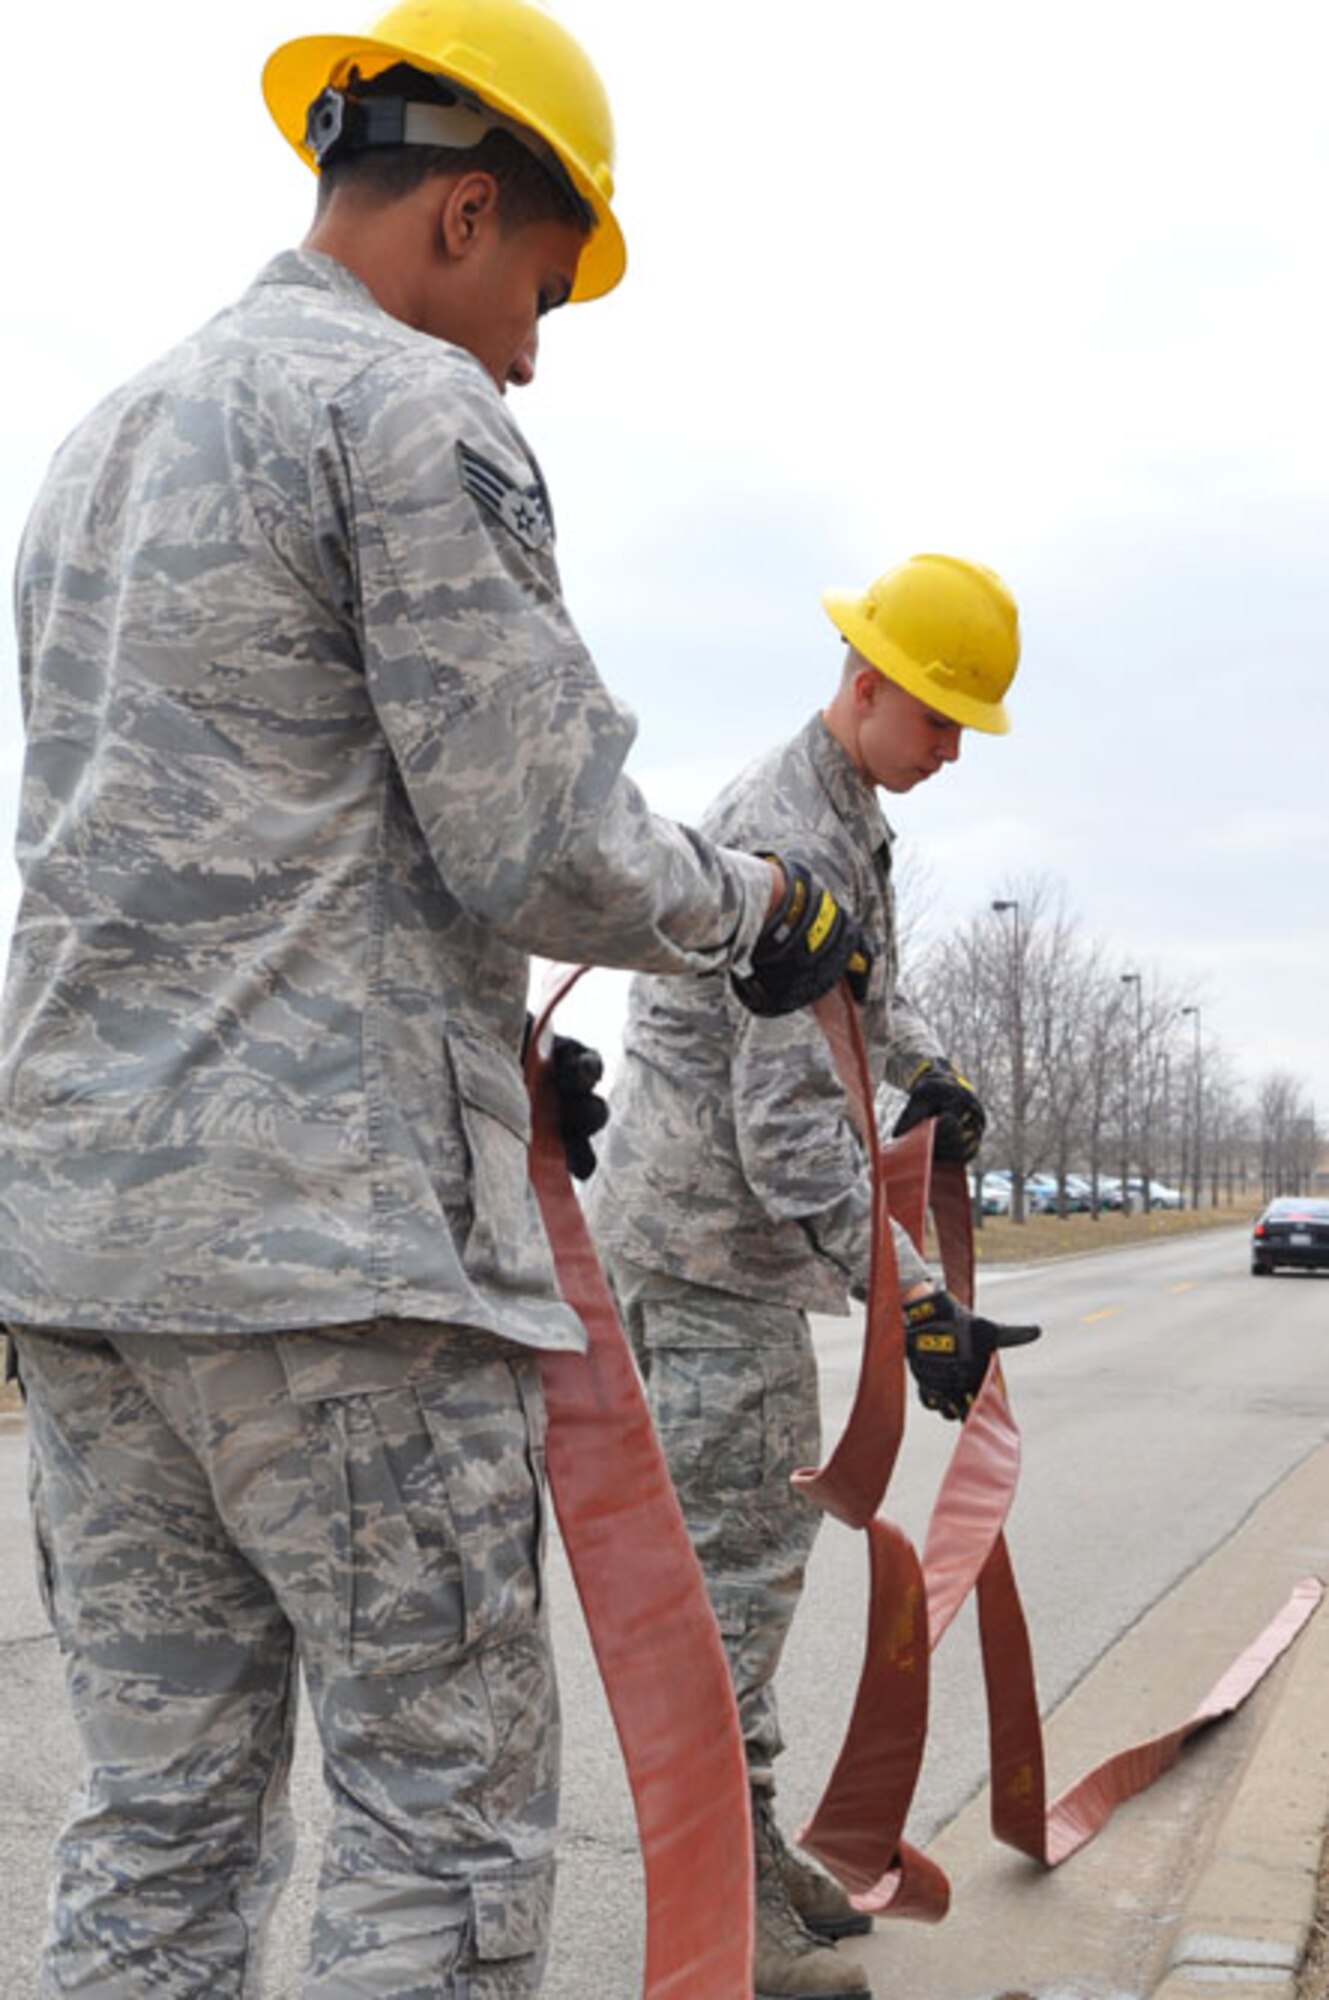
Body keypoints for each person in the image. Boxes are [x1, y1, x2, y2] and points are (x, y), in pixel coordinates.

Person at [0, 4, 874, 1995]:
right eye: (542, 290)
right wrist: (753, 914)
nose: (534, 350)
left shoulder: (95, 446)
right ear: (467, 209)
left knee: (152, 1838)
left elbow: (225, 841)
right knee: (439, 1832)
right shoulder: (409, 411)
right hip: (343, 1273)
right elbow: (549, 841)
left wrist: (473, 1049)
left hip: (83, 1256)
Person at [587, 553, 1043, 2000]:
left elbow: (861, 1017)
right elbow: (787, 1135)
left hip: (712, 1247)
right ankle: (728, 1906)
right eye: (939, 717)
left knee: (744, 1573)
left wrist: (926, 1076)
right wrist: (911, 1298)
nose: (953, 748)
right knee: (736, 1583)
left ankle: (751, 1837)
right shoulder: (796, 836)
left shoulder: (843, 810)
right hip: (710, 1252)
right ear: (864, 687)